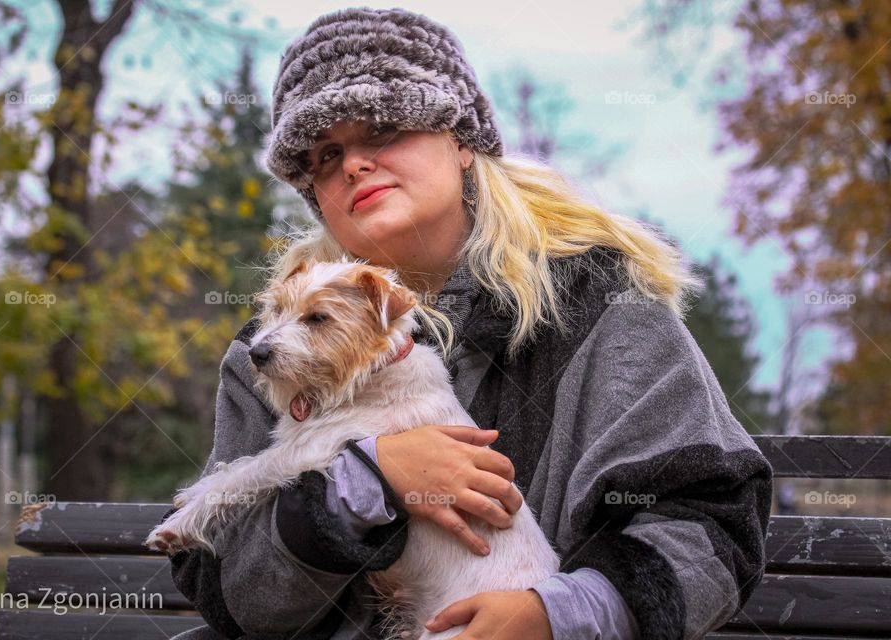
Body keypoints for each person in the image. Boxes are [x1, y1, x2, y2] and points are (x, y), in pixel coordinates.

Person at [162, 7, 773, 640]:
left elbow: (710, 520)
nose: (351, 165)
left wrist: (556, 614)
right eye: (323, 156)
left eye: (381, 127)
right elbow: (221, 583)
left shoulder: (602, 311)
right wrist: (360, 484)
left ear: (461, 140)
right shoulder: (271, 352)